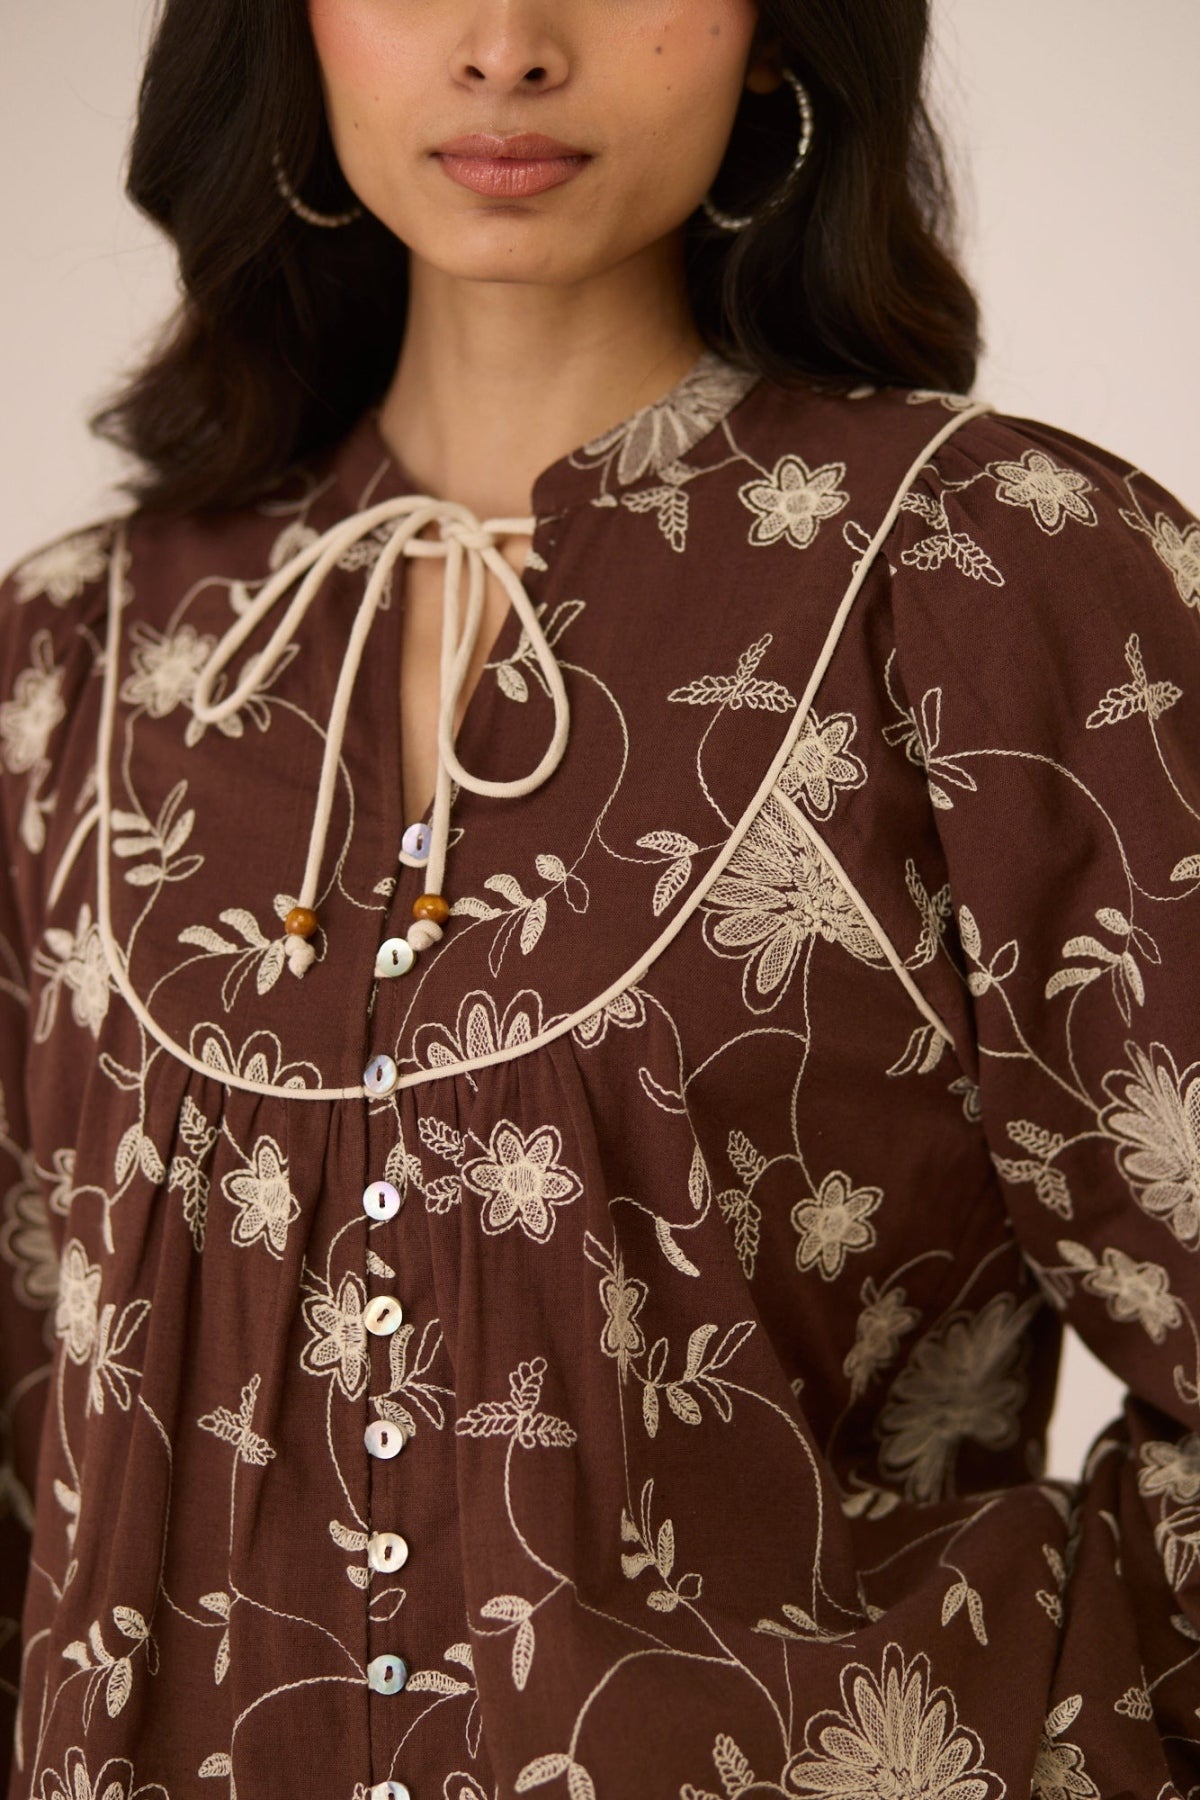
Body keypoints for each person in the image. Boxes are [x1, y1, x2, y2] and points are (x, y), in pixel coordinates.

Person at [1, 1, 1198, 1795]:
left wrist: (974, 1733)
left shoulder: (985, 574)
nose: (505, 43)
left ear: (785, 34)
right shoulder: (75, 660)